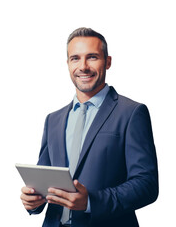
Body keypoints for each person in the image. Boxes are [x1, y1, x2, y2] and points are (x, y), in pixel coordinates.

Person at [20, 27, 158, 227]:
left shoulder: (131, 113)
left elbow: (147, 184)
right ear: (68, 64)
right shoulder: (53, 120)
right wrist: (33, 201)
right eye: (75, 58)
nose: (83, 66)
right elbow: (45, 181)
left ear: (108, 62)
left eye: (92, 57)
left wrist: (92, 202)